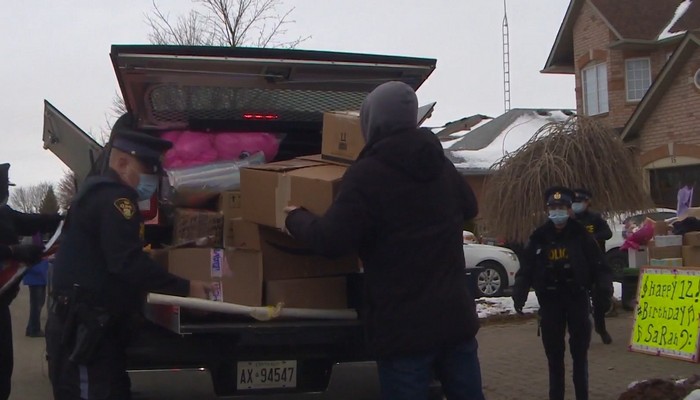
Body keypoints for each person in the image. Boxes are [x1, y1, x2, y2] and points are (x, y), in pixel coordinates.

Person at [285, 81, 484, 400]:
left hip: (404, 332)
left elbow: (330, 242)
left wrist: (294, 217)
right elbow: (470, 207)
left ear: (372, 120)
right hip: (454, 323)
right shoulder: (440, 165)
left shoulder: (367, 175)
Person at [46, 114, 212, 400]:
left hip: (91, 326)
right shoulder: (116, 199)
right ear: (122, 163)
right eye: (146, 169)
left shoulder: (97, 193)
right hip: (86, 329)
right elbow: (127, 264)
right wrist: (187, 289)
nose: (152, 178)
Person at [512, 186, 612, 400]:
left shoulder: (581, 235)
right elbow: (526, 268)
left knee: (579, 356)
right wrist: (519, 290)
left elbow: (599, 266)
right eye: (553, 207)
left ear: (569, 210)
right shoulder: (539, 237)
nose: (557, 211)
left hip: (576, 299)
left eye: (562, 207)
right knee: (554, 358)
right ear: (547, 210)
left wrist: (604, 290)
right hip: (550, 303)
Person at [0, 163, 62, 400]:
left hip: (2, 303)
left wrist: (62, 217)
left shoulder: (5, 214)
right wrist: (12, 251)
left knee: (3, 368)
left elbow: (33, 221)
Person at [571, 188, 614, 345]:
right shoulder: (570, 220)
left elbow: (607, 233)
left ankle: (600, 328)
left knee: (602, 297)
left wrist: (591, 238)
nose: (576, 205)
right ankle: (582, 332)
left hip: (597, 264)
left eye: (579, 202)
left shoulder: (595, 218)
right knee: (578, 302)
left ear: (587, 202)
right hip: (578, 266)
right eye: (574, 202)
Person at [22, 238, 50, 337]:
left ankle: (31, 327)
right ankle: (34, 329)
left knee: (38, 303)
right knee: (36, 305)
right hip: (35, 275)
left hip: (40, 275)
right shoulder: (30, 238)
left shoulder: (38, 237)